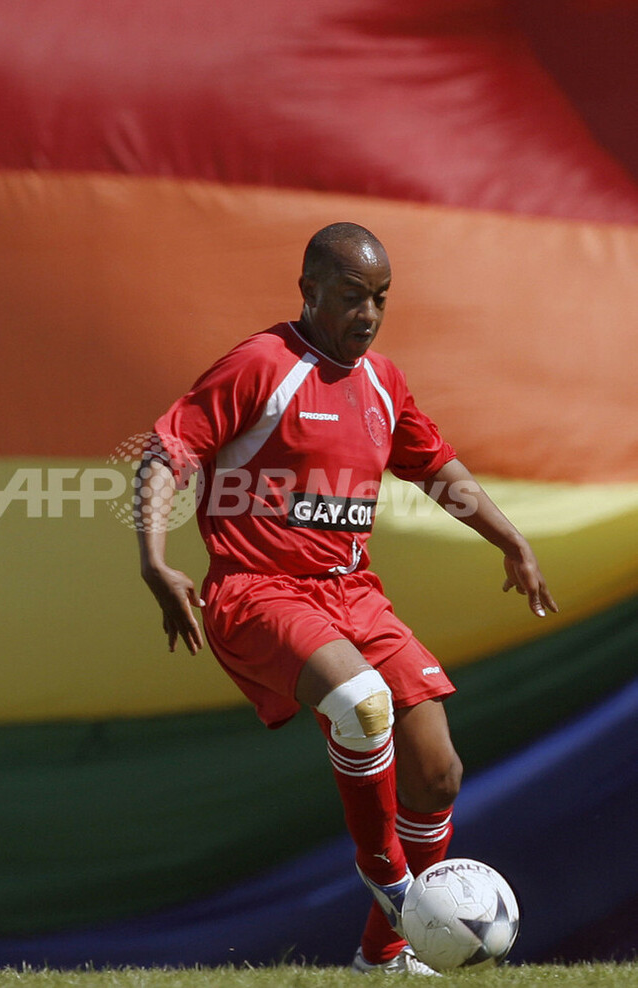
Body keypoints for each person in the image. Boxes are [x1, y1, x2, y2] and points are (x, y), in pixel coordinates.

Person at [135, 222, 557, 974]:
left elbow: (434, 466)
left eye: (381, 299)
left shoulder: (382, 382)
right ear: (309, 291)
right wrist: (155, 560)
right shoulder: (261, 366)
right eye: (351, 297)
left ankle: (384, 955)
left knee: (438, 773)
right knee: (362, 704)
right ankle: (395, 887)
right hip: (258, 592)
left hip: (355, 596)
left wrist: (510, 539)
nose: (367, 314)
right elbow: (164, 453)